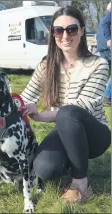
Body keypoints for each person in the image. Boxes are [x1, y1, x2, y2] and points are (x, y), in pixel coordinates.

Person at [20, 6, 111, 204]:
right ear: (53, 34)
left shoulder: (99, 64)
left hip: (96, 135)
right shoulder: (46, 65)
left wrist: (40, 116)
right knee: (45, 168)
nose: (65, 35)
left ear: (82, 31)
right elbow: (26, 97)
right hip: (65, 129)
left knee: (68, 113)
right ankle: (71, 157)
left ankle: (81, 184)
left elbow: (81, 106)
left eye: (71, 29)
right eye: (58, 30)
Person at [96, 2, 111, 105]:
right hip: (107, 47)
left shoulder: (105, 18)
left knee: (105, 72)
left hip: (102, 47)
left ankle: (99, 94)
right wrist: (109, 39)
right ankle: (106, 95)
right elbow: (106, 25)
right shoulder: (109, 16)